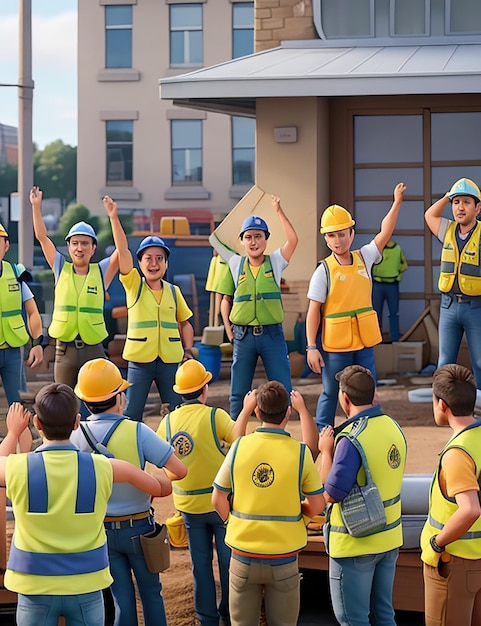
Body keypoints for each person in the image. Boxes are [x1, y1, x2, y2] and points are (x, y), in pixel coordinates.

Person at [0, 382, 164, 626]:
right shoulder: (103, 468)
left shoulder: (18, 467)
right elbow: (157, 487)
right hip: (87, 582)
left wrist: (13, 432)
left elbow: (3, 459)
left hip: (34, 584)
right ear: (77, 422)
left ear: (36, 424)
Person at [71, 358, 188, 626]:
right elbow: (179, 471)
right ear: (120, 397)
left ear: (86, 402)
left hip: (100, 532)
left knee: (121, 598)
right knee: (151, 594)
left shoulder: (76, 436)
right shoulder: (138, 431)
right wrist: (154, 478)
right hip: (139, 529)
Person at [212, 381, 325, 626]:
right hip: (283, 558)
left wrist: (232, 521)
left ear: (257, 412)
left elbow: (218, 498)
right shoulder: (300, 454)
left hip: (242, 556)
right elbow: (317, 505)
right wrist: (299, 516)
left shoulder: (240, 447)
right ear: (288, 412)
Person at [156, 359, 251, 626]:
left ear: (179, 391)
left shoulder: (167, 423)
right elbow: (239, 439)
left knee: (200, 565)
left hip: (187, 507)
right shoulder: (215, 416)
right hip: (219, 503)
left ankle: (205, 617)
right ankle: (230, 613)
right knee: (226, 561)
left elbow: (158, 457)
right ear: (204, 389)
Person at [306, 182, 406, 430]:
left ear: (352, 233)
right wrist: (311, 347)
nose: (338, 240)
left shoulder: (366, 257)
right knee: (331, 391)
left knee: (368, 387)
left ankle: (370, 430)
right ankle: (323, 435)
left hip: (364, 340)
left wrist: (397, 203)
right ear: (326, 239)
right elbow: (313, 312)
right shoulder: (323, 271)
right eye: (332, 235)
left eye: (342, 233)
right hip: (336, 345)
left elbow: (385, 233)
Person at [319, 365, 407, 626]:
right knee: (384, 615)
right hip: (389, 539)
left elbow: (331, 493)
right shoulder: (393, 427)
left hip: (355, 544)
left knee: (353, 619)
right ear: (373, 395)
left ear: (344, 398)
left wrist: (325, 452)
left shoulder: (349, 439)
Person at [103, 195, 194, 421]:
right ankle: (131, 452)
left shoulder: (174, 291)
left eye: (159, 258)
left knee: (177, 412)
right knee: (132, 412)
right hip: (140, 362)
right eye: (148, 258)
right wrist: (114, 217)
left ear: (166, 263)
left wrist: (189, 350)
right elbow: (122, 251)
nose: (154, 263)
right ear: (140, 263)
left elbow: (185, 323)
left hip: (171, 360)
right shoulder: (134, 285)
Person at [30, 187, 118, 403]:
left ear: (93, 247)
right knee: (63, 402)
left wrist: (113, 217)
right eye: (75, 243)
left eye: (85, 243)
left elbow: (122, 252)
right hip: (64, 349)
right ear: (68, 247)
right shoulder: (61, 267)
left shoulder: (101, 271)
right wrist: (36, 207)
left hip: (94, 348)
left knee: (101, 399)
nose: (80, 248)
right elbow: (42, 237)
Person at [218, 196, 298, 419]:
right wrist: (228, 327)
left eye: (258, 237)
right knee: (238, 390)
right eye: (248, 237)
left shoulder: (276, 262)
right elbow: (226, 299)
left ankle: (283, 428)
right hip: (243, 336)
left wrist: (278, 211)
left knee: (283, 387)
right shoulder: (234, 263)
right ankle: (236, 435)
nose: (253, 242)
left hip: (272, 335)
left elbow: (293, 240)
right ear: (242, 240)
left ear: (266, 240)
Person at [420, 364, 481, 626]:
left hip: (453, 562)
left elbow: (470, 509)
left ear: (442, 405)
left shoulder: (457, 453)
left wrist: (437, 543)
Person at [424, 178, 481, 388]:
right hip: (448, 306)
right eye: (456, 202)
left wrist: (457, 193)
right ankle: (443, 409)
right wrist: (450, 194)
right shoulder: (447, 229)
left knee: (480, 363)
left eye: (466, 202)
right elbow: (429, 214)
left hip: (476, 307)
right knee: (444, 363)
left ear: (477, 208)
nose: (460, 207)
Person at [0, 222, 44, 408]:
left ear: (6, 246)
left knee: (18, 405)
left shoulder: (16, 274)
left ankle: (21, 436)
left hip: (13, 350)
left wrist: (37, 343)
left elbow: (32, 311)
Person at [372, 238, 408, 342]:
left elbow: (404, 264)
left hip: (392, 284)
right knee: (376, 311)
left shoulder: (397, 248)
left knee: (393, 311)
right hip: (378, 283)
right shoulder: (377, 249)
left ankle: (394, 335)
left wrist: (396, 271)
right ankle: (377, 336)